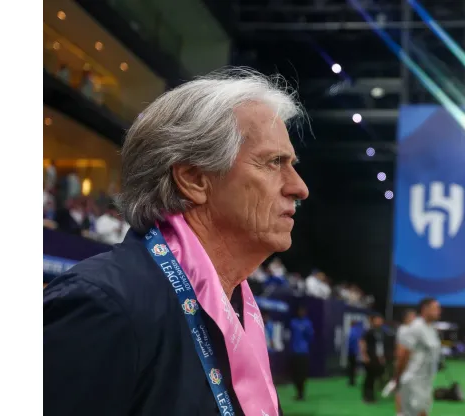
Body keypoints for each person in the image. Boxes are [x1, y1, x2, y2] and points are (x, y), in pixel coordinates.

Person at [44, 70, 309, 416]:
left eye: (292, 164)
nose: (299, 187)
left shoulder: (235, 305)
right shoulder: (104, 306)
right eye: (274, 163)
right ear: (194, 179)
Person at [393, 298, 442, 416]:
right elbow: (403, 354)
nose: (439, 311)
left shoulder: (431, 329)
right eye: (435, 308)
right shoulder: (416, 327)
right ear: (425, 309)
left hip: (426, 380)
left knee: (423, 412)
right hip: (413, 380)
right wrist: (398, 377)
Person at [394, 309, 417, 415]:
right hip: (405, 364)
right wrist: (400, 365)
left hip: (414, 365)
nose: (415, 319)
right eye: (412, 316)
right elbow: (401, 350)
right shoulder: (403, 330)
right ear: (406, 318)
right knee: (401, 388)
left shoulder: (415, 330)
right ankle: (400, 413)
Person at [289, 305, 314, 400]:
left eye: (303, 311)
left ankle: (301, 392)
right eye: (300, 310)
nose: (301, 312)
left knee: (302, 373)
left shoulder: (308, 323)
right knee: (295, 373)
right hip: (294, 351)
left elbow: (310, 337)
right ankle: (298, 391)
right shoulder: (293, 322)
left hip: (303, 352)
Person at [361, 313, 387, 403]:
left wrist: (381, 357)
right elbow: (362, 343)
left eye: (380, 319)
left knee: (374, 378)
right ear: (373, 321)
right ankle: (366, 397)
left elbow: (380, 346)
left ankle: (372, 396)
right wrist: (364, 356)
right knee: (369, 377)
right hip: (370, 357)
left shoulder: (381, 332)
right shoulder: (369, 331)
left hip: (377, 357)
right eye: (377, 319)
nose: (379, 321)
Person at [347, 321, 365, 386]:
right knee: (354, 367)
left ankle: (352, 381)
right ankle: (353, 380)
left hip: (352, 352)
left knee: (351, 367)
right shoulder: (357, 331)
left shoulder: (352, 331)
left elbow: (351, 342)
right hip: (356, 352)